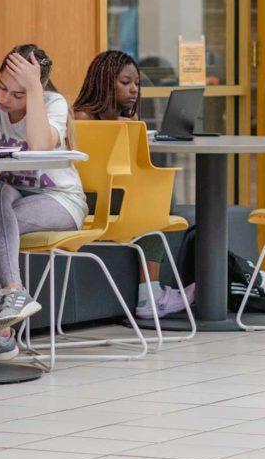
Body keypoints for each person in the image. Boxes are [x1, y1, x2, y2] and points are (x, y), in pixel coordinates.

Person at [0, 44, 87, 363]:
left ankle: (0, 337)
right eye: (3, 87)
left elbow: (40, 145)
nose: (6, 99)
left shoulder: (53, 103)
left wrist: (35, 91)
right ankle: (14, 293)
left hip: (59, 200)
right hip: (11, 197)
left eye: (19, 94)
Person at [73, 50, 194, 320]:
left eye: (137, 84)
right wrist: (118, 132)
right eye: (125, 82)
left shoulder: (118, 119)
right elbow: (91, 172)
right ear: (105, 82)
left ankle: (150, 292)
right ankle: (149, 294)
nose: (134, 89)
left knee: (160, 197)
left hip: (110, 193)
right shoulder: (83, 118)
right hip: (89, 198)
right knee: (159, 200)